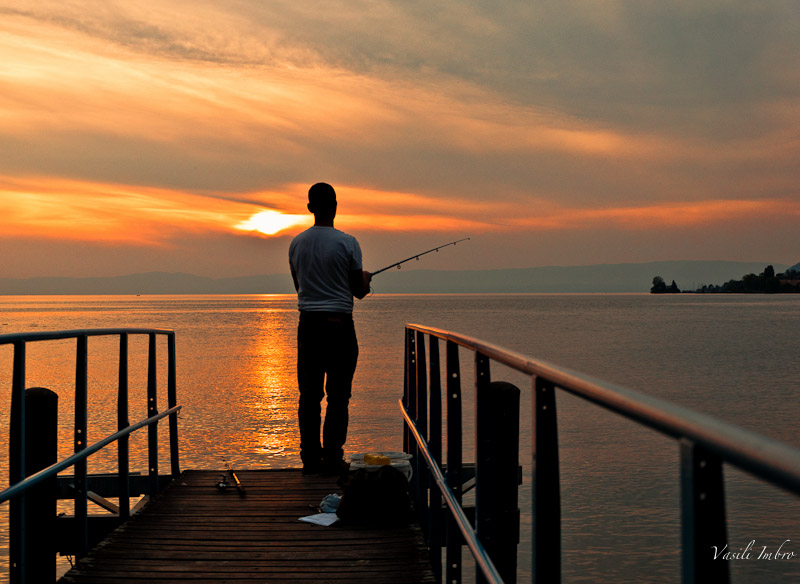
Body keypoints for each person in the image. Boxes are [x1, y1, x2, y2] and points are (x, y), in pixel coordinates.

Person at [289, 183, 372, 475]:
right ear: (335, 206)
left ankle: (310, 459)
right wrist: (366, 280)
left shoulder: (296, 244)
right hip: (339, 328)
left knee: (309, 395)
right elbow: (358, 291)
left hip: (308, 326)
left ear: (310, 207)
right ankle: (333, 458)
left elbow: (300, 287)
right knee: (339, 396)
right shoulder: (348, 243)